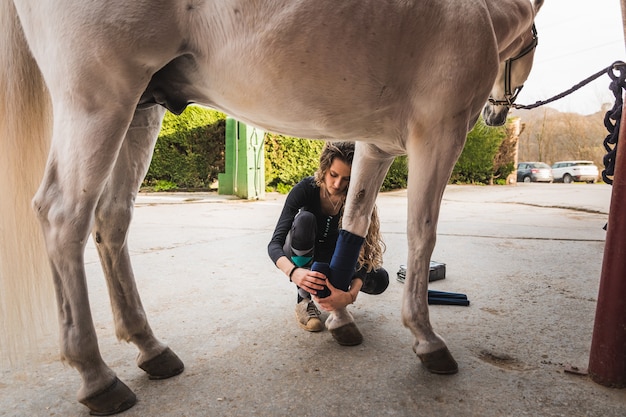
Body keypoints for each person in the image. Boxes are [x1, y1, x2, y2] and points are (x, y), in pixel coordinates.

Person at [268, 141, 389, 346]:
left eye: (346, 179)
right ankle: (304, 300)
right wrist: (294, 273)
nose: (337, 184)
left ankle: (335, 299)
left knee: (381, 280)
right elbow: (274, 244)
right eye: (333, 174)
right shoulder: (305, 189)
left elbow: (365, 251)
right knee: (305, 219)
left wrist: (350, 295)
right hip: (303, 256)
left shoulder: (355, 197)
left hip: (335, 262)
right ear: (324, 169)